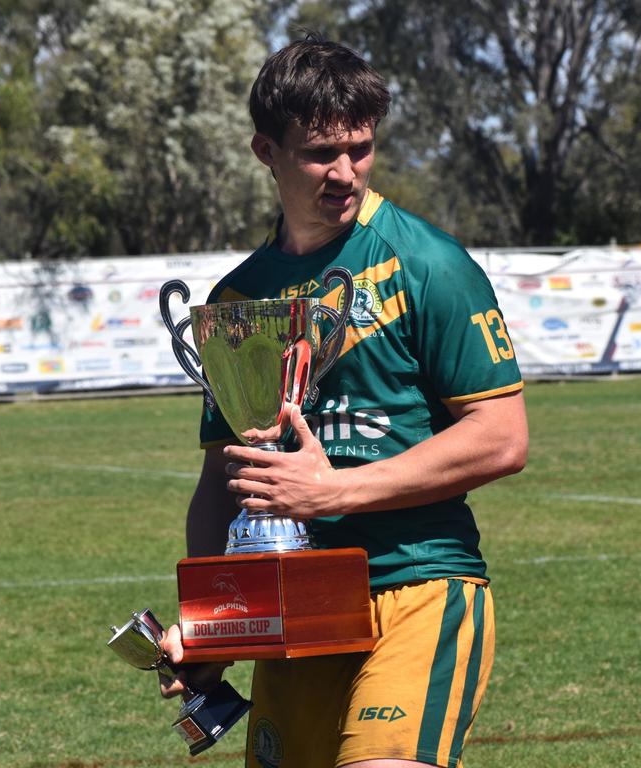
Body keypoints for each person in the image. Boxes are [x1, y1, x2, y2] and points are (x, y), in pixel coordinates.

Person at [158, 35, 527, 768]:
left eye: (360, 149)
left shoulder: (429, 264)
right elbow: (223, 482)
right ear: (267, 151)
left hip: (419, 586)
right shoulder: (239, 298)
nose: (345, 172)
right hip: (297, 612)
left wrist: (333, 490)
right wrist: (212, 628)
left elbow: (501, 437)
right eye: (320, 153)